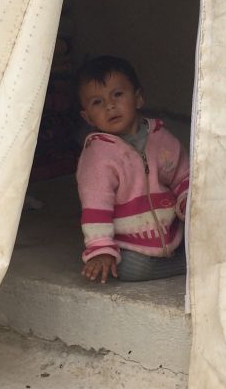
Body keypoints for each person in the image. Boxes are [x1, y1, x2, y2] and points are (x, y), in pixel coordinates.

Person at [76, 55, 189, 283]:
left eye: (118, 95)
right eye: (97, 102)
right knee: (129, 269)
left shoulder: (161, 138)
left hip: (173, 232)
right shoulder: (97, 157)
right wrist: (102, 249)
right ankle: (188, 265)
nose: (110, 106)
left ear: (138, 98)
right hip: (130, 245)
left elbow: (183, 176)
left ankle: (186, 256)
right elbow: (96, 209)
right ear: (87, 116)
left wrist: (187, 201)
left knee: (208, 236)